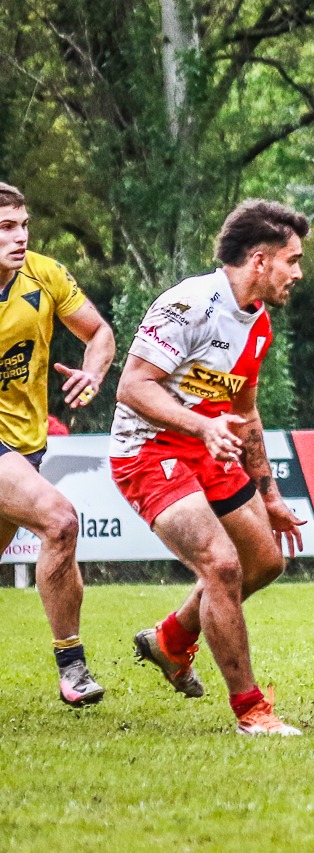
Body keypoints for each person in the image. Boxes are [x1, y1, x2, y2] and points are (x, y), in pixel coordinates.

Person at [111, 199, 310, 736]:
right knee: (221, 567)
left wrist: (268, 494)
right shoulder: (191, 303)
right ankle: (252, 711)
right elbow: (132, 387)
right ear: (260, 260)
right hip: (149, 450)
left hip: (210, 449)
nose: (299, 272)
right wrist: (200, 426)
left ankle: (170, 641)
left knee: (265, 563)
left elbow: (243, 412)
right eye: (292, 260)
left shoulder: (258, 323)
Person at [0, 183, 116, 707]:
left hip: (27, 444)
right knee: (60, 520)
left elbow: (99, 335)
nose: (19, 237)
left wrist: (91, 374)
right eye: (6, 228)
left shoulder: (44, 275)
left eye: (23, 225)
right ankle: (72, 666)